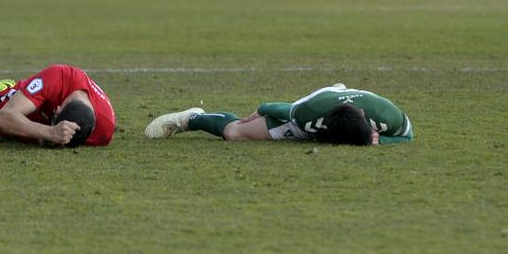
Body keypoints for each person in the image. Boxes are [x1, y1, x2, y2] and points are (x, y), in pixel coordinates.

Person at [145, 83, 413, 146]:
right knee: (235, 133)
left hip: (344, 108)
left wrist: (381, 141)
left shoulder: (389, 116)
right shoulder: (307, 115)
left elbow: (407, 137)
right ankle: (192, 117)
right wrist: (261, 110)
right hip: (322, 100)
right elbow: (283, 108)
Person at [0, 65, 117, 147]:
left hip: (32, 121)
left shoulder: (104, 130)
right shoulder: (57, 77)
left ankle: (19, 132)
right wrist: (49, 133)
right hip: (20, 105)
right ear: (57, 109)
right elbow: (4, 118)